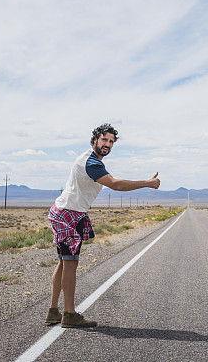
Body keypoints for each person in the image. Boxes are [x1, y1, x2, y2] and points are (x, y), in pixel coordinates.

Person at [45, 123, 161, 327]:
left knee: (64, 263)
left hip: (68, 212)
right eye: (104, 140)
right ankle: (69, 315)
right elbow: (115, 184)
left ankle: (54, 312)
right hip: (68, 214)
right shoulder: (92, 163)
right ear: (95, 140)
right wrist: (146, 183)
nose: (107, 144)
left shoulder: (91, 159)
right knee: (70, 264)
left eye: (111, 141)